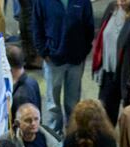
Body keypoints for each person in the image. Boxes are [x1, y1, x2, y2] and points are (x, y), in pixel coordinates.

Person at [34, 0, 95, 136]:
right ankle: (54, 136)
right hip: (53, 61)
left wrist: (83, 51)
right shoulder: (42, 2)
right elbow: (37, 26)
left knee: (73, 102)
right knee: (52, 104)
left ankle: (73, 134)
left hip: (76, 61)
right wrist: (44, 52)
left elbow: (89, 26)